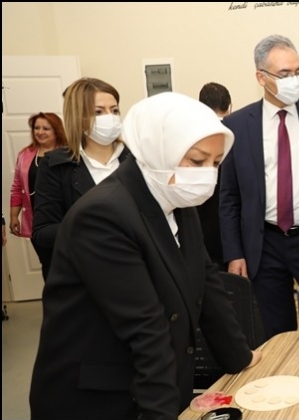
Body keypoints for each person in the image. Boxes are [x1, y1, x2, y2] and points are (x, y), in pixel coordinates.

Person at [29, 92, 262, 419]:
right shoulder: (103, 215)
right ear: (157, 151)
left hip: (154, 383)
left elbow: (206, 285)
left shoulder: (175, 196)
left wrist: (240, 357)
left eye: (216, 162)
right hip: (100, 397)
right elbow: (146, 329)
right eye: (197, 161)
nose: (208, 174)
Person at [220, 34, 299, 340]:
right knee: (275, 333)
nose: (294, 80)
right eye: (285, 74)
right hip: (264, 244)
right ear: (261, 77)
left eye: (298, 72)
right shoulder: (237, 125)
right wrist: (234, 253)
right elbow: (229, 197)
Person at [32, 77, 131, 280]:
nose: (110, 117)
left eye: (114, 110)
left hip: (137, 273)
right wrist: (93, 228)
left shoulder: (137, 159)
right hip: (86, 277)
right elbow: (43, 233)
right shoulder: (56, 165)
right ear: (78, 117)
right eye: (98, 112)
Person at [9, 113, 67, 241]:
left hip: (63, 220)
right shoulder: (24, 155)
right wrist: (14, 216)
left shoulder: (68, 154)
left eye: (46, 128)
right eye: (36, 128)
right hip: (36, 222)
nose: (40, 132)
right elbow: (17, 188)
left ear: (56, 131)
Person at [197, 82, 232, 269]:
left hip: (202, 231)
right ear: (229, 106)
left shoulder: (193, 137)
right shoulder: (238, 134)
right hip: (235, 234)